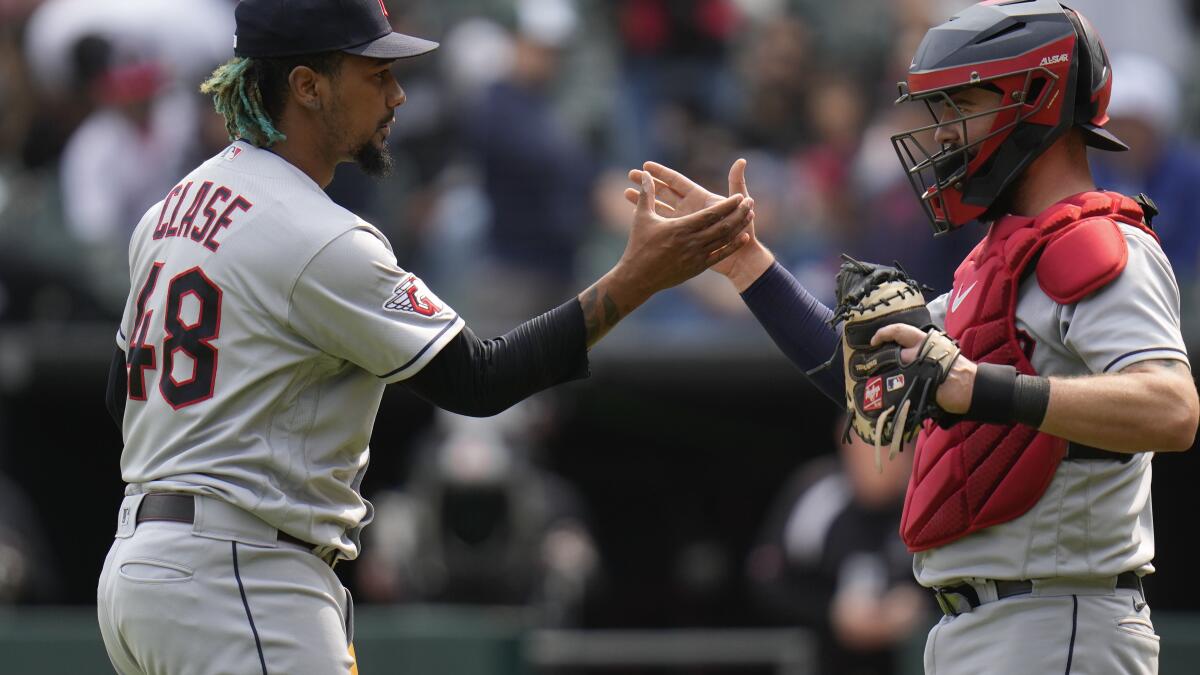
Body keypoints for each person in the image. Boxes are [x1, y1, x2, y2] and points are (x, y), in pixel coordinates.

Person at [95, 1, 754, 673]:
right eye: (375, 73)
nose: (397, 93)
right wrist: (634, 280)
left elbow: (125, 396)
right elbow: (478, 378)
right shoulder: (316, 235)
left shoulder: (169, 210)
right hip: (241, 574)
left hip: (139, 574)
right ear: (307, 85)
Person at [630, 1, 1198, 672]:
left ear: (1037, 98)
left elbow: (1172, 406)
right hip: (979, 623)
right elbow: (865, 380)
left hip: (1059, 619)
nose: (942, 134)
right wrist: (745, 262)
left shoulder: (1100, 245)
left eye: (964, 104)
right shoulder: (992, 262)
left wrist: (982, 386)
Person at [747, 421, 926, 675]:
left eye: (892, 444)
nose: (883, 456)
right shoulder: (819, 495)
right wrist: (832, 612)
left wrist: (917, 607)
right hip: (825, 658)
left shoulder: (927, 502)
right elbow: (767, 577)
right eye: (870, 443)